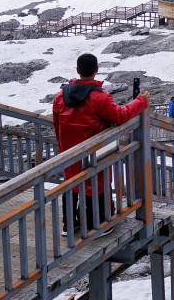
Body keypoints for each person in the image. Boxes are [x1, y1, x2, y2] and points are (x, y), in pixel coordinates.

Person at [52, 53, 148, 235]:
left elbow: (56, 124)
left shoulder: (60, 97)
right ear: (96, 70)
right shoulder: (99, 98)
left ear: (78, 70)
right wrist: (141, 101)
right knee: (97, 183)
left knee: (71, 183)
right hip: (95, 150)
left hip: (69, 151)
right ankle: (97, 222)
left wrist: (61, 146)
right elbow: (120, 116)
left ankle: (69, 225)